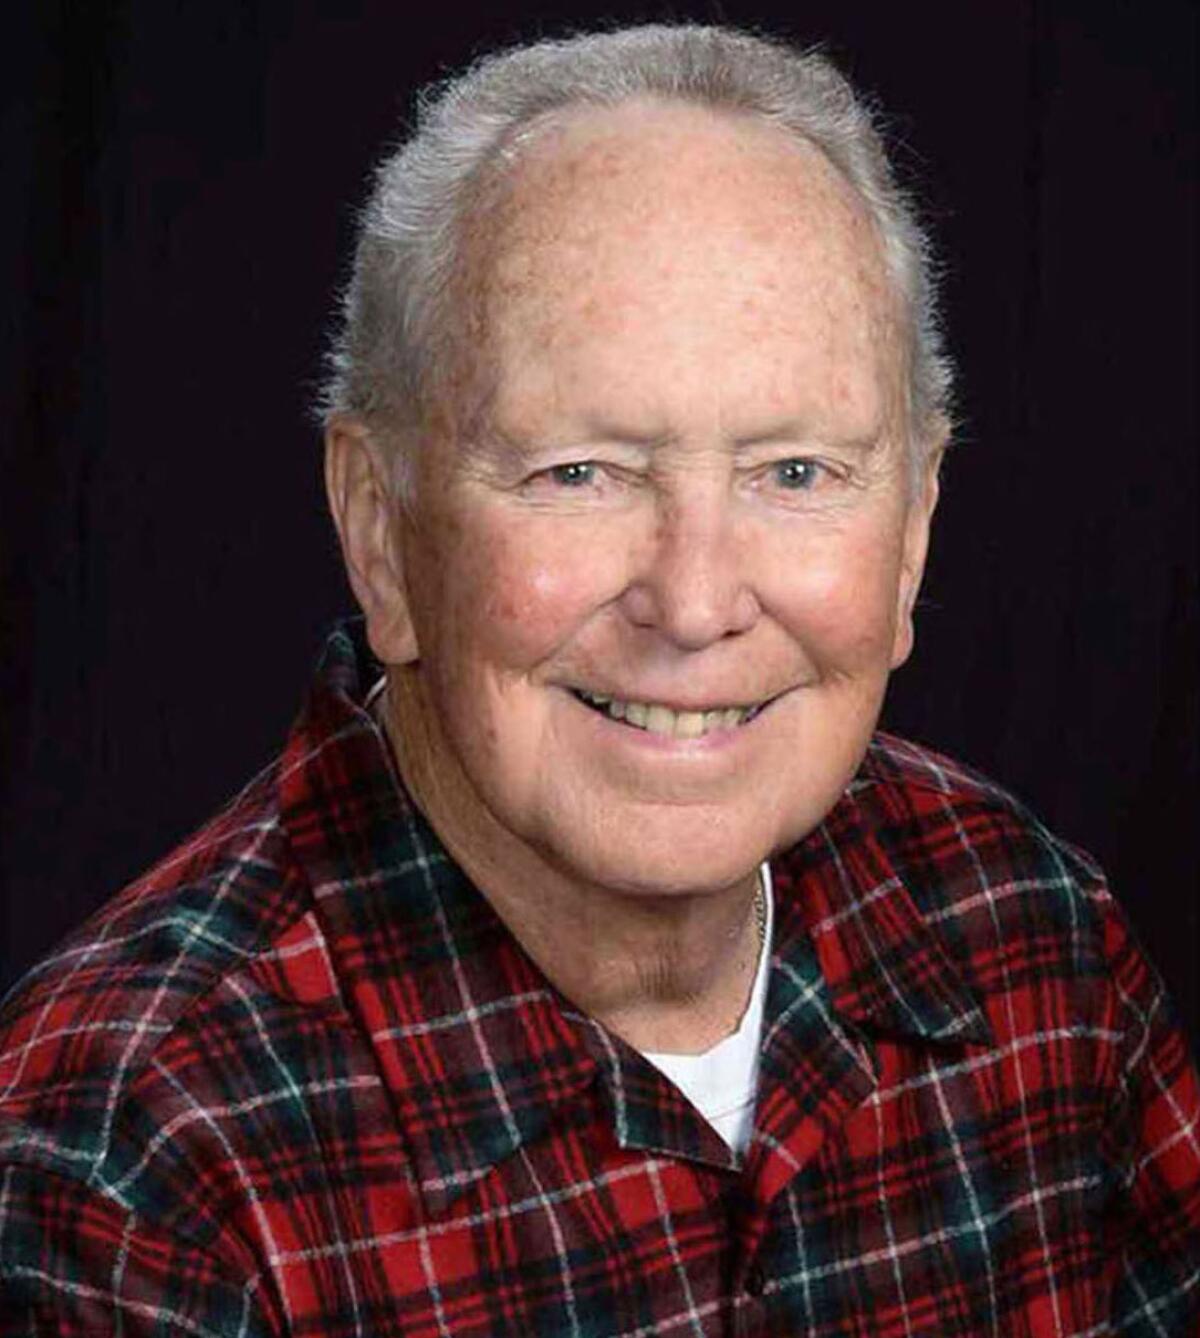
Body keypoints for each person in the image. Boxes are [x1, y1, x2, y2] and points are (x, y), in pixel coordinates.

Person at [0, 22, 1196, 1336]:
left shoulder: (1038, 942)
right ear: (381, 530)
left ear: (911, 533)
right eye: (580, 472)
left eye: (794, 473)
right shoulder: (124, 1168)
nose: (693, 602)